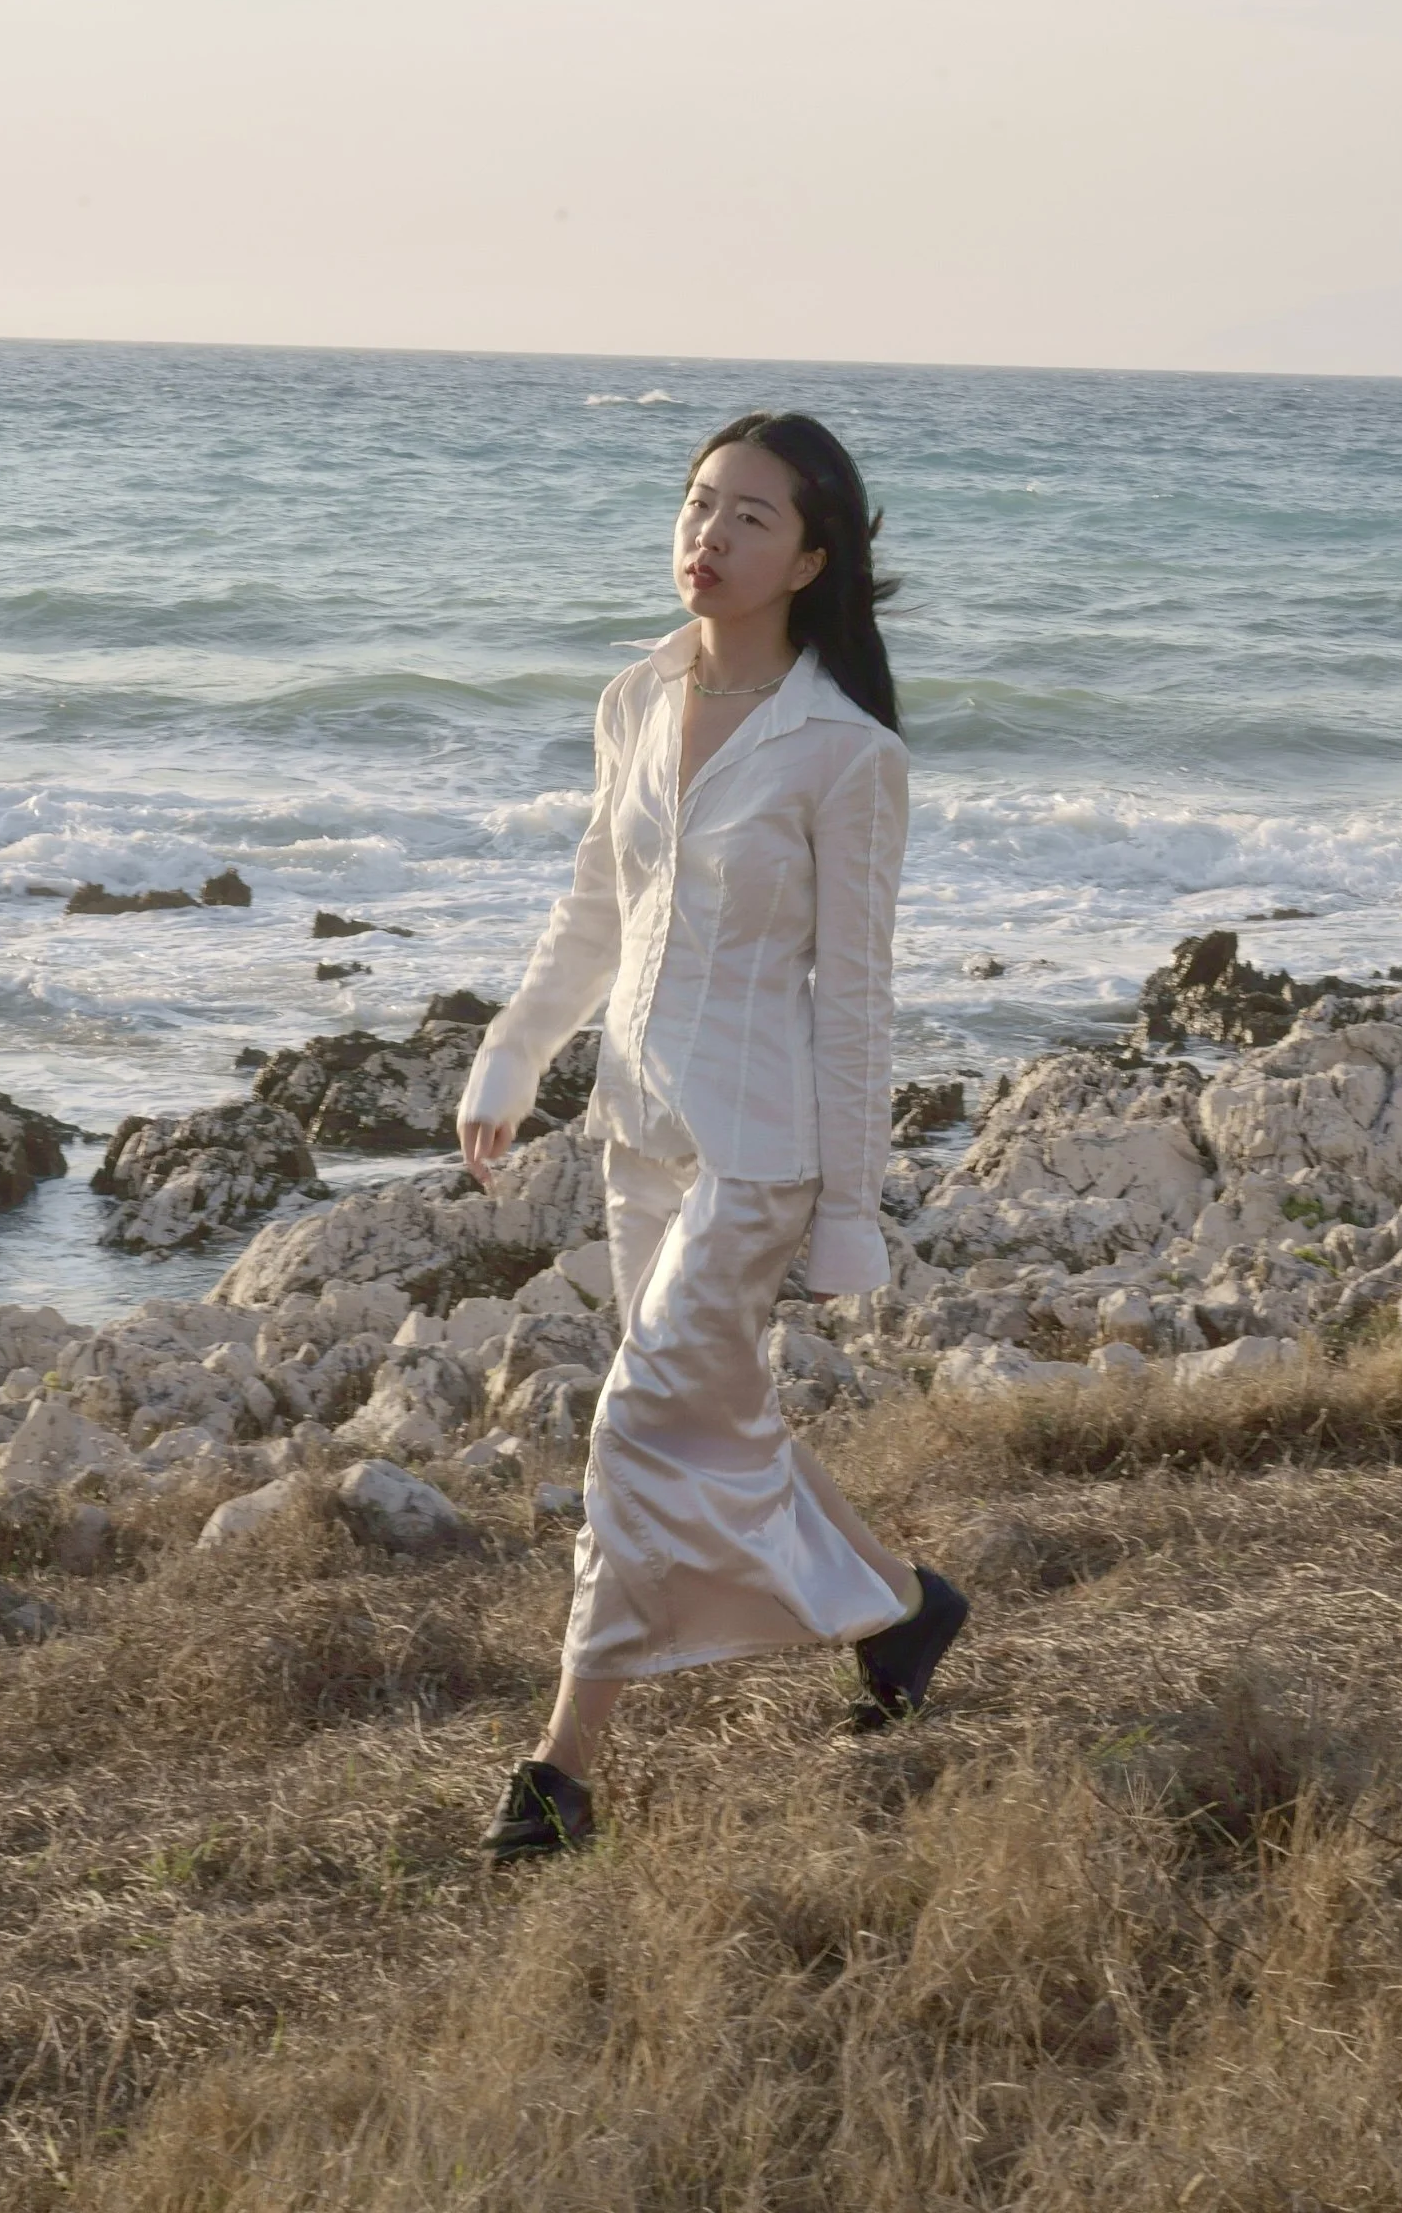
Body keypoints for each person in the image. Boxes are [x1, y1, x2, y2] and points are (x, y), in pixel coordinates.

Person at [459, 410, 968, 1862]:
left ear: (811, 556)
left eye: (751, 516)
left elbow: (856, 995)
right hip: (639, 1128)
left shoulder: (845, 753)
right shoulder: (632, 699)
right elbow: (594, 909)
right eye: (698, 504)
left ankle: (562, 1770)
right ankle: (903, 1607)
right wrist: (513, 1054)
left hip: (759, 1150)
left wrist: (849, 1210)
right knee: (711, 1426)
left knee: (635, 1428)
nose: (710, 535)